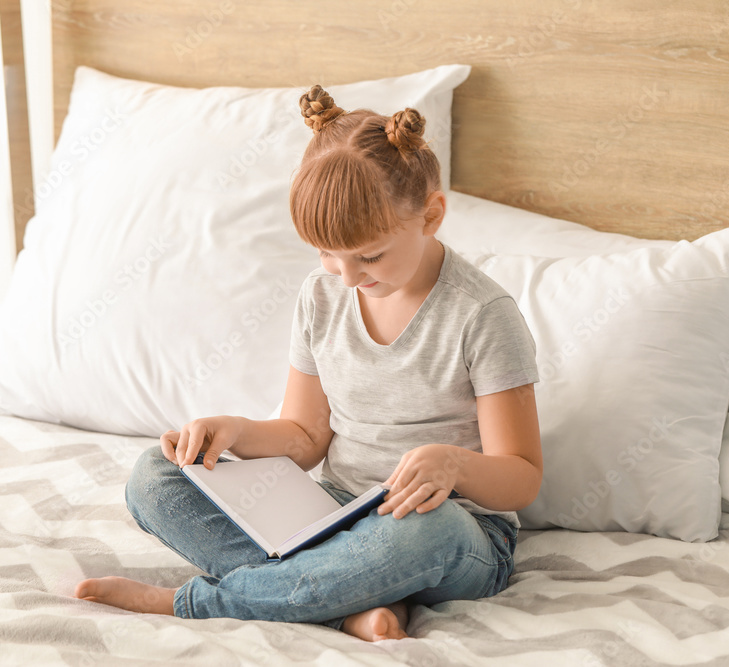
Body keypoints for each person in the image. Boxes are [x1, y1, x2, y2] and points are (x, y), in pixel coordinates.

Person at [75, 84, 543, 642]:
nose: (346, 277)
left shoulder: (482, 314)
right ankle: (348, 604)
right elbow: (305, 438)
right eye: (326, 254)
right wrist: (236, 433)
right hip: (331, 515)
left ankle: (198, 604)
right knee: (155, 477)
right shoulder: (321, 296)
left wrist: (455, 466)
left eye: (369, 256)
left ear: (431, 214)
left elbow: (522, 478)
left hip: (452, 532)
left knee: (429, 528)